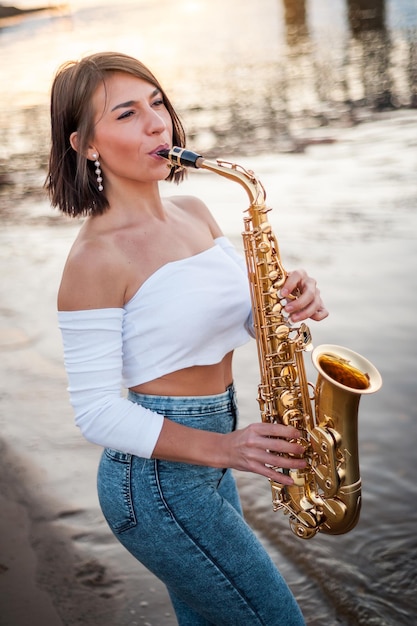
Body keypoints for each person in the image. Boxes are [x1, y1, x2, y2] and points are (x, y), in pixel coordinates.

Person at [46, 51, 328, 626]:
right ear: (85, 145)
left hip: (208, 462)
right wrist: (226, 448)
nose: (157, 124)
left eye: (157, 105)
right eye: (126, 114)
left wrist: (285, 304)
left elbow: (237, 323)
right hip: (155, 482)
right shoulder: (95, 258)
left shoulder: (196, 211)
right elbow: (96, 412)